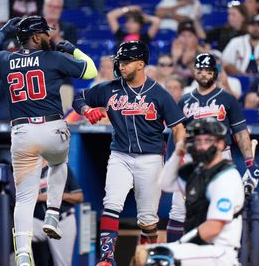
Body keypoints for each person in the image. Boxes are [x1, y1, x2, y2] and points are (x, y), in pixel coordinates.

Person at [0, 16, 97, 266]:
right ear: (37, 37)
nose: (50, 37)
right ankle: (52, 213)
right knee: (59, 164)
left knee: (25, 199)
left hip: (22, 133)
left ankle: (23, 254)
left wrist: (4, 32)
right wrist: (72, 49)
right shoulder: (54, 58)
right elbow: (90, 70)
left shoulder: (5, 59)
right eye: (46, 34)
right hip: (53, 128)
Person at [72, 40, 186, 266]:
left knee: (147, 221)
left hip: (151, 158)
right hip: (120, 155)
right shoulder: (110, 88)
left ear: (141, 64)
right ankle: (107, 259)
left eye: (126, 62)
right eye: (120, 62)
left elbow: (178, 127)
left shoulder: (158, 93)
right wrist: (87, 109)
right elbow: (79, 98)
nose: (121, 66)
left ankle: (145, 260)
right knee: (111, 203)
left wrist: (179, 156)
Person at [165, 53, 259, 243]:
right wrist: (173, 161)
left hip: (220, 158)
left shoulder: (228, 99)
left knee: (219, 207)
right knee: (178, 210)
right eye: (200, 70)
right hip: (191, 158)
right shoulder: (184, 100)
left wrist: (250, 162)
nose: (204, 74)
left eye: (209, 71)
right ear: (194, 72)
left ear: (215, 73)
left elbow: (240, 132)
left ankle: (221, 254)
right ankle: (174, 253)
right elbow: (176, 133)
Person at [138, 118, 245, 266]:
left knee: (158, 258)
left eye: (208, 140)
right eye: (198, 141)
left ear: (221, 143)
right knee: (142, 256)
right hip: (199, 248)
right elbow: (165, 183)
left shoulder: (226, 177)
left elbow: (213, 228)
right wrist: (178, 152)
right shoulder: (197, 172)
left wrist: (178, 245)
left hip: (220, 252)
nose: (202, 146)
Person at [32, 163, 83, 266]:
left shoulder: (61, 168)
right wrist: (42, 197)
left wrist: (63, 195)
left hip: (61, 221)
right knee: (15, 237)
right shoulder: (28, 171)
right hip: (37, 222)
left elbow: (79, 197)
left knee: (62, 264)